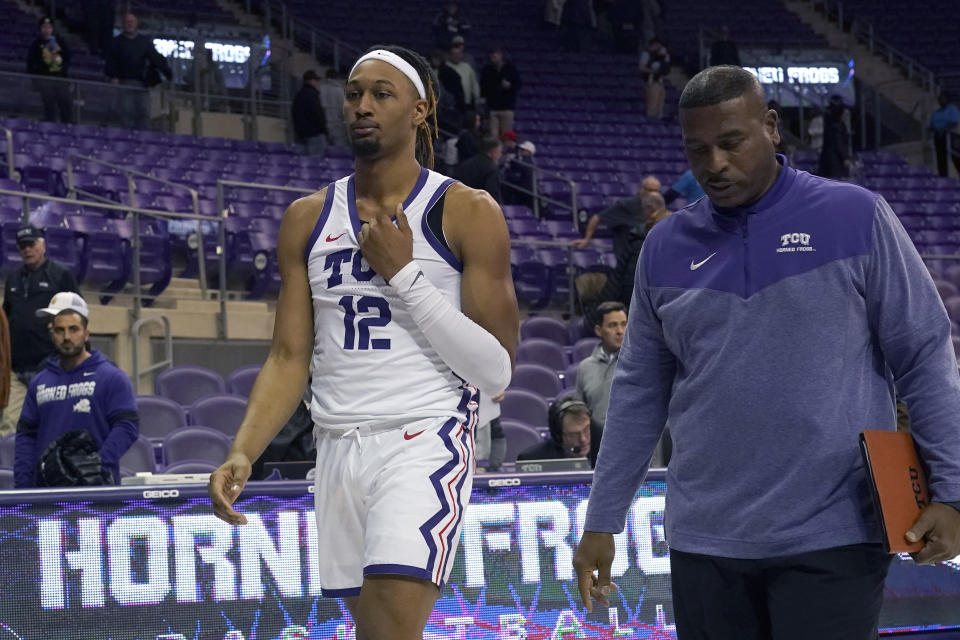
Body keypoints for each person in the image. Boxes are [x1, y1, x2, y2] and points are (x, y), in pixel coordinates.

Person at [573, 65, 960, 639]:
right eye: (697, 150)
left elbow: (925, 355)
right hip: (705, 542)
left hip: (835, 535)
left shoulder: (856, 216)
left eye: (731, 143)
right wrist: (602, 519)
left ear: (772, 128)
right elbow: (638, 392)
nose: (714, 165)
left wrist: (953, 494)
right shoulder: (664, 247)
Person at [207, 45, 518, 640]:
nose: (362, 107)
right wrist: (244, 450)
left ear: (420, 110)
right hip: (338, 448)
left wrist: (404, 274)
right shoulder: (307, 217)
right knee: (374, 631)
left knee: (393, 628)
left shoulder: (465, 211)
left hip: (425, 436)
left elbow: (496, 371)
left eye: (382, 94)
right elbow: (288, 357)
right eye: (353, 95)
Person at [13, 293, 139, 488]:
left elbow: (127, 426)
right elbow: (26, 436)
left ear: (86, 333)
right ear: (51, 332)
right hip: (46, 493)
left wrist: (98, 465)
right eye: (59, 330)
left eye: (73, 329)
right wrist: (23, 486)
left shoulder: (111, 377)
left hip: (95, 491)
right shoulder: (40, 381)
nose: (66, 337)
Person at [2, 225, 79, 436]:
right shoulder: (13, 279)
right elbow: (6, 319)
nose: (27, 250)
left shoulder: (61, 274)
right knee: (10, 426)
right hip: (16, 368)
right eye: (22, 246)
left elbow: (78, 316)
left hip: (50, 365)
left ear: (43, 245)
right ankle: (12, 469)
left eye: (31, 244)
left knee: (53, 422)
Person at [104, 13, 171, 129]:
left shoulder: (144, 42)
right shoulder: (116, 42)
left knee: (144, 112)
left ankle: (143, 139)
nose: (129, 24)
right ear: (123, 24)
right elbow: (111, 61)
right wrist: (112, 76)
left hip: (142, 83)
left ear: (136, 24)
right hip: (124, 81)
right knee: (126, 111)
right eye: (127, 21)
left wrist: (167, 74)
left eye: (132, 21)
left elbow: (157, 58)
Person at [571, 175, 660, 255]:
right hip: (627, 258)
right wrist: (587, 239)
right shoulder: (627, 205)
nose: (654, 194)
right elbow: (596, 218)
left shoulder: (655, 206)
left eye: (656, 191)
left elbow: (671, 194)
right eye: (650, 190)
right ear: (641, 189)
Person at [574, 301, 625, 430]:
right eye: (613, 325)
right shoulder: (585, 368)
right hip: (598, 445)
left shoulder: (641, 364)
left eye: (624, 324)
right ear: (598, 330)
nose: (620, 331)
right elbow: (579, 414)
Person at [516, 397, 601, 467]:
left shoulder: (608, 451)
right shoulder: (532, 460)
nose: (583, 439)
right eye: (573, 435)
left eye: (586, 430)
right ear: (558, 436)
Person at [26, 17, 73, 124]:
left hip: (60, 78)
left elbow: (67, 58)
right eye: (44, 27)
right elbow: (30, 62)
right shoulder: (36, 44)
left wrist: (62, 69)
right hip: (44, 79)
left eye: (49, 27)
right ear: (40, 29)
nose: (47, 30)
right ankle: (49, 123)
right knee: (48, 101)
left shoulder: (60, 42)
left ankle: (67, 124)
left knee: (65, 101)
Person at [480, 46, 522, 138]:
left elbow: (518, 84)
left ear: (500, 55)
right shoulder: (487, 70)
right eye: (491, 56)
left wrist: (510, 86)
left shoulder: (510, 68)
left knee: (506, 136)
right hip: (492, 108)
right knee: (493, 137)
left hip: (507, 108)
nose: (492, 58)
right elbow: (483, 87)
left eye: (494, 55)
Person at [454, 136, 503, 203]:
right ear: (493, 152)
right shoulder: (491, 168)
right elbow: (492, 194)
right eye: (499, 151)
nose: (500, 154)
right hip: (480, 207)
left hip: (461, 203)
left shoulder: (466, 164)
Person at [292, 70, 328, 157]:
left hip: (301, 134)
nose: (317, 83)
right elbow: (317, 114)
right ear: (312, 81)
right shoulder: (312, 95)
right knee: (316, 161)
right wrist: (324, 129)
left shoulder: (299, 95)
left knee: (305, 162)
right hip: (315, 134)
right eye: (316, 81)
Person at [817, 94, 850, 179]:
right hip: (834, 160)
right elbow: (838, 142)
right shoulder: (836, 124)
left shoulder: (829, 121)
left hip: (828, 159)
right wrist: (845, 157)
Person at [445, 35, 480, 111]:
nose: (457, 56)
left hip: (466, 104)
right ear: (451, 54)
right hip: (450, 105)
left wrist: (477, 98)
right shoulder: (445, 67)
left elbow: (474, 84)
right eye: (455, 54)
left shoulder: (467, 67)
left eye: (459, 54)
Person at [930, 93, 960, 178]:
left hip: (951, 137)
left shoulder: (952, 109)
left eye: (943, 99)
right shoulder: (935, 113)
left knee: (955, 157)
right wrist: (936, 130)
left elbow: (954, 122)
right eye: (940, 99)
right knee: (941, 157)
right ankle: (943, 177)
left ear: (947, 99)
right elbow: (931, 125)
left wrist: (943, 130)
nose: (941, 101)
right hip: (938, 137)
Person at [639, 37, 670, 119]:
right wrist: (653, 71)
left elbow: (665, 70)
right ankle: (651, 117)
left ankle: (659, 115)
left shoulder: (659, 56)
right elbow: (641, 67)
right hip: (651, 81)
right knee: (653, 100)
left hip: (659, 81)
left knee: (660, 99)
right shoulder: (646, 54)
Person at [319, 69, 349, 146]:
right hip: (337, 122)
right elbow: (344, 108)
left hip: (323, 123)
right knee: (338, 149)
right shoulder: (340, 90)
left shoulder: (320, 89)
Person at [503, 140, 536, 208]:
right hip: (522, 189)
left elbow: (519, 175)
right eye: (521, 149)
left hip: (524, 190)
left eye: (524, 150)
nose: (521, 151)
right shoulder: (521, 160)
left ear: (529, 152)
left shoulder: (527, 161)